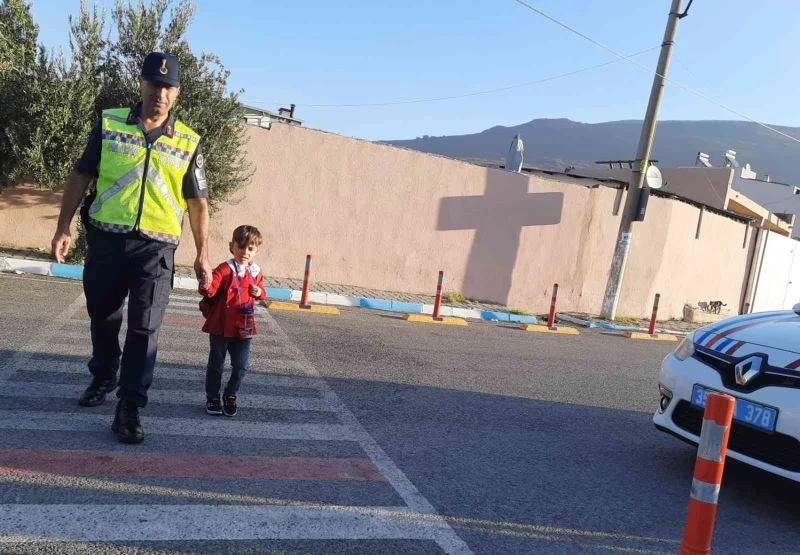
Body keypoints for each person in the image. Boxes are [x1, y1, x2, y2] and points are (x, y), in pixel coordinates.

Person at [50, 52, 212, 444]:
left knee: (145, 327)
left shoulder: (188, 141)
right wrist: (63, 225)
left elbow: (198, 202)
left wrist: (202, 252)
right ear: (141, 84)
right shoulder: (108, 124)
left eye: (168, 87)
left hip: (156, 250)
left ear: (177, 93)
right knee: (103, 316)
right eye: (154, 85)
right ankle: (104, 373)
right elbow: (81, 175)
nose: (160, 93)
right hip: (107, 240)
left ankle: (130, 405)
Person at [200, 225, 266, 417]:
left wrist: (260, 292)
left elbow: (262, 290)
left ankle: (231, 393)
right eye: (241, 246)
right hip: (221, 327)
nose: (245, 252)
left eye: (251, 248)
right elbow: (211, 289)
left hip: (243, 328)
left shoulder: (255, 271)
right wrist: (205, 283)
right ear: (232, 246)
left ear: (256, 251)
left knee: (241, 365)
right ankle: (212, 397)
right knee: (216, 365)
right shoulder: (225, 269)